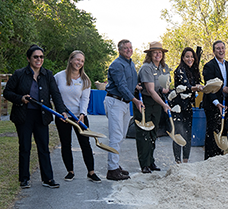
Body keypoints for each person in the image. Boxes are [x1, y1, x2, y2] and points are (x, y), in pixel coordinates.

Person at [4, 45, 68, 189]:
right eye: (35, 57)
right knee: (25, 147)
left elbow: (55, 94)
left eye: (41, 57)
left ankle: (48, 179)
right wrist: (21, 98)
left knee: (43, 147)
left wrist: (61, 110)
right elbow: (7, 92)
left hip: (42, 116)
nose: (39, 59)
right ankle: (24, 179)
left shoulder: (47, 74)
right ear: (29, 58)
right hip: (23, 115)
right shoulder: (19, 74)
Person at [54, 50, 100, 183]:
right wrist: (60, 111)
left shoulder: (85, 80)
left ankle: (91, 172)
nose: (79, 63)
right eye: (77, 59)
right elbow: (54, 96)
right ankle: (70, 171)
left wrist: (82, 114)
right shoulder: (59, 77)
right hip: (62, 116)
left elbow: (85, 99)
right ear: (71, 60)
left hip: (79, 117)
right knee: (66, 144)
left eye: (82, 61)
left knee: (85, 144)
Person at [104, 39, 143, 180]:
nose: (128, 50)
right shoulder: (116, 65)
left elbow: (128, 83)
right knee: (115, 136)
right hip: (115, 101)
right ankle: (112, 170)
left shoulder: (130, 63)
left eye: (130, 47)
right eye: (125, 48)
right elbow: (121, 86)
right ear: (119, 50)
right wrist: (135, 100)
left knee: (121, 136)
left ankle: (115, 164)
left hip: (125, 102)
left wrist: (136, 87)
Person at [136, 41, 171, 173]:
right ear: (150, 54)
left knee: (153, 132)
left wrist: (166, 89)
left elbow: (165, 85)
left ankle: (151, 162)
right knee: (144, 133)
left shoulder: (164, 67)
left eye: (160, 52)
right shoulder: (146, 68)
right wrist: (164, 105)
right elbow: (151, 90)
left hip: (157, 101)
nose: (158, 54)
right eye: (155, 52)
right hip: (145, 101)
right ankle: (144, 163)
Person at [202, 40, 228, 159]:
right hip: (213, 103)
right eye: (218, 48)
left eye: (222, 48)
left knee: (223, 132)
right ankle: (209, 160)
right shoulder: (209, 66)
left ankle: (219, 158)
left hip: (226, 104)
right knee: (212, 133)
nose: (221, 50)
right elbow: (209, 86)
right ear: (213, 51)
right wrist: (217, 102)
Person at [171, 47, 204, 163]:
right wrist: (197, 87)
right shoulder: (179, 70)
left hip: (188, 106)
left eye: (192, 57)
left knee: (187, 133)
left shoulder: (193, 71)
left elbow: (197, 84)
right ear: (183, 58)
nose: (190, 59)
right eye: (187, 57)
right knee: (178, 133)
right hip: (178, 107)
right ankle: (177, 161)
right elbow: (186, 86)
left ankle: (185, 160)